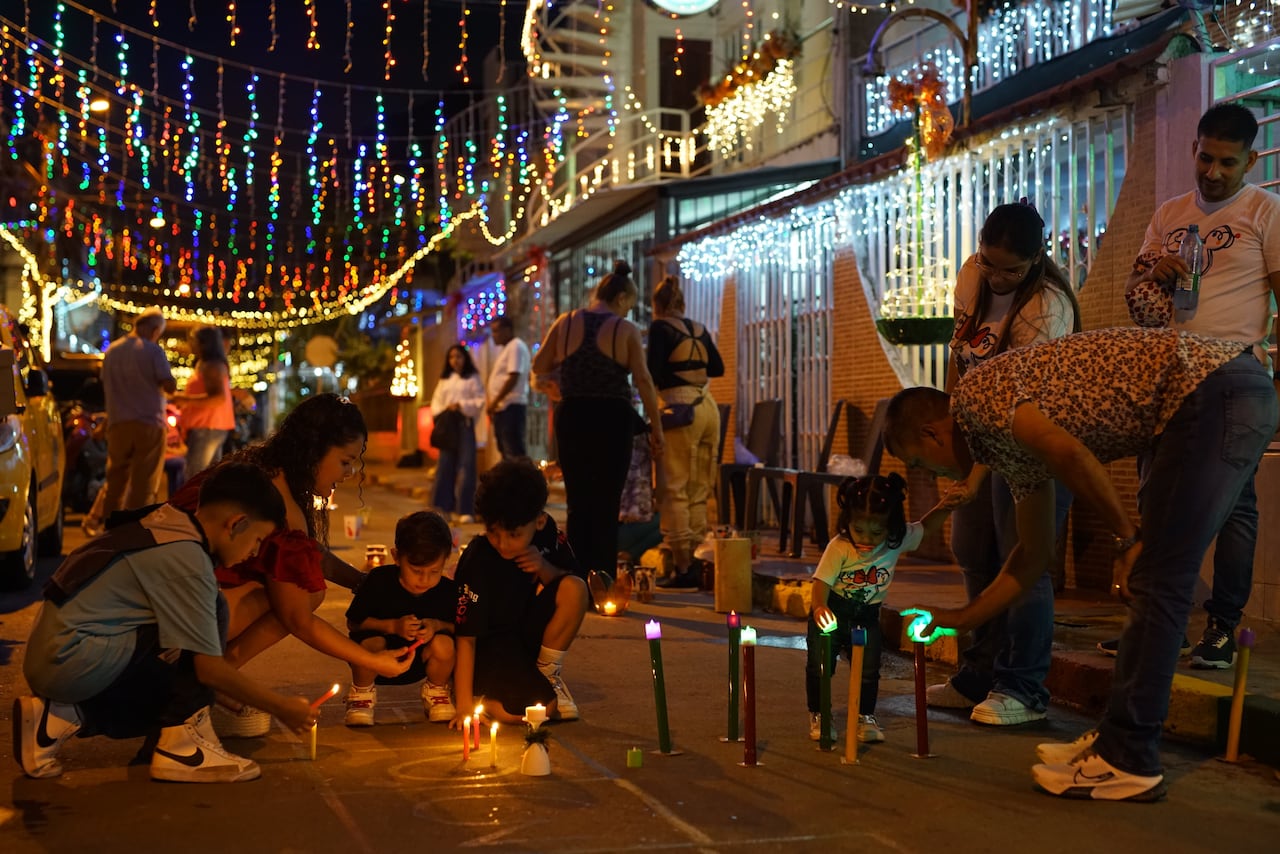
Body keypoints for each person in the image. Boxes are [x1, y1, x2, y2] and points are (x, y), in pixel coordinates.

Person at [883, 326, 1277, 801]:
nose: (933, 475)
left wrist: (1126, 539)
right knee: (1157, 578)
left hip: (1211, 388)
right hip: (1217, 392)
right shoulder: (1004, 445)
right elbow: (1030, 557)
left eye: (921, 462)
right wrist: (958, 620)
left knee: (1156, 578)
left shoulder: (975, 399)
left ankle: (1128, 757)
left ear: (931, 432)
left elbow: (1071, 454)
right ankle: (1119, 736)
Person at [1104, 102, 1280, 669]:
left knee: (1233, 507)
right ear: (1193, 150)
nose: (1213, 172)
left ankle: (1222, 629)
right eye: (1205, 158)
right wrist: (1151, 275)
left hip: (1234, 373)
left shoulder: (1266, 212)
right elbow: (1142, 308)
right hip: (1167, 373)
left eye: (1228, 162)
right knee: (1156, 497)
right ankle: (1160, 625)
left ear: (1251, 159)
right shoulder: (1169, 214)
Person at [15, 463, 315, 783]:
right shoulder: (188, 560)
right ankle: (183, 750)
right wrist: (281, 706)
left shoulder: (168, 524)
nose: (254, 552)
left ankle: (54, 720)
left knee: (184, 661)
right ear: (236, 524)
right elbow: (208, 668)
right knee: (208, 619)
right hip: (71, 658)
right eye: (258, 540)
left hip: (56, 654)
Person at [169, 393, 412, 738]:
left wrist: (361, 581)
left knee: (297, 580)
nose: (350, 473)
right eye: (345, 461)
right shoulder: (280, 502)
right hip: (174, 619)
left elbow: (308, 553)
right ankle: (211, 680)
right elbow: (298, 618)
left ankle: (213, 679)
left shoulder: (258, 470)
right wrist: (372, 661)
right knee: (301, 593)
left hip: (162, 597)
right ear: (314, 451)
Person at [926, 202, 1081, 725]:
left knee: (1024, 561)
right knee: (972, 549)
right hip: (982, 432)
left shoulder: (1046, 308)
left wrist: (975, 474)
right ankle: (980, 674)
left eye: (1009, 270)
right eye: (988, 262)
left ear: (1036, 260)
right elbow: (959, 353)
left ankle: (1024, 688)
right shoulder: (974, 275)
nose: (996, 276)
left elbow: (1015, 408)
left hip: (1033, 443)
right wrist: (954, 432)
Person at [531, 260, 665, 580]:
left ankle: (576, 577)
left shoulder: (566, 323)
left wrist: (556, 387)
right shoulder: (624, 329)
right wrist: (656, 429)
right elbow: (644, 381)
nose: (628, 313)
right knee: (606, 503)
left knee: (578, 501)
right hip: (611, 419)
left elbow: (539, 366)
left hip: (573, 415)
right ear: (621, 300)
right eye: (629, 307)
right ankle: (602, 580)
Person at [806, 474, 954, 744]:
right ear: (847, 521)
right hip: (832, 611)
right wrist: (818, 608)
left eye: (877, 532)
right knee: (820, 666)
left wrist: (948, 504)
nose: (867, 539)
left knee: (869, 669)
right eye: (858, 529)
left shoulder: (896, 541)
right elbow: (821, 581)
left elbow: (927, 527)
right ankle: (819, 714)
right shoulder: (839, 547)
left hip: (867, 615)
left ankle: (865, 716)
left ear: (892, 527)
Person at [452, 459, 588, 726]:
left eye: (513, 535)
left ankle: (547, 675)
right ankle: (484, 698)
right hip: (489, 648)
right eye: (493, 532)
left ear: (538, 521)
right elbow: (466, 639)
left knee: (575, 588)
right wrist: (465, 707)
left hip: (523, 639)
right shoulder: (478, 559)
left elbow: (572, 580)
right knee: (522, 713)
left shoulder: (547, 534)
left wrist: (543, 567)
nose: (502, 544)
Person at [343, 510, 459, 726]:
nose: (424, 580)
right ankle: (361, 696)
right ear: (396, 557)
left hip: (420, 658)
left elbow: (461, 628)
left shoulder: (447, 591)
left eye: (434, 571)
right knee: (370, 643)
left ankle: (436, 691)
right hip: (376, 658)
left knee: (445, 644)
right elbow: (354, 622)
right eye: (416, 570)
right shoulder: (379, 581)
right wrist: (392, 626)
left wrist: (436, 625)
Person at [646, 274, 725, 590]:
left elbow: (651, 372)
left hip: (679, 408)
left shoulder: (660, 328)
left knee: (675, 485)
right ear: (682, 303)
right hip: (708, 407)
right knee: (700, 486)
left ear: (658, 306)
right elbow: (716, 368)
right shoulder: (700, 329)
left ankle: (682, 564)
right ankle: (695, 557)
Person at [89, 306, 177, 535]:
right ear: (155, 329)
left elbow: (109, 388)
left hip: (118, 424)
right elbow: (169, 385)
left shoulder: (112, 351)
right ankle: (136, 529)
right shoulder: (152, 351)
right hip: (149, 424)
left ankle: (111, 528)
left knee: (116, 478)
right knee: (144, 481)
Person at [431, 344, 486, 524]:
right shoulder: (444, 379)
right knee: (445, 466)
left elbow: (479, 401)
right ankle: (442, 507)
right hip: (448, 427)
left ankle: (465, 509)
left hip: (464, 425)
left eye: (459, 357)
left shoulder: (472, 377)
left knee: (466, 467)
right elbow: (436, 403)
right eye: (452, 357)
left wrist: (461, 405)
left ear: (465, 358)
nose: (455, 360)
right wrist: (446, 408)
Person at [176, 325, 236, 479]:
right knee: (206, 478)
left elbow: (218, 398)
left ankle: (193, 504)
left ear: (204, 343)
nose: (191, 345)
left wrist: (183, 399)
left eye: (193, 341)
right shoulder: (208, 364)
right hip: (209, 427)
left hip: (207, 427)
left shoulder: (212, 366)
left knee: (195, 479)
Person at [486, 315, 532, 461]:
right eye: (492, 331)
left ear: (508, 330)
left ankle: (519, 483)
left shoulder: (515, 346)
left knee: (513, 451)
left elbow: (513, 376)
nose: (493, 336)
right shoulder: (507, 349)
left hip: (511, 406)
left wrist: (495, 401)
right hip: (503, 408)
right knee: (506, 451)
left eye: (496, 331)